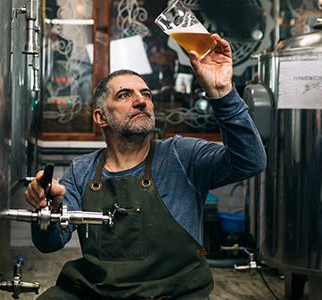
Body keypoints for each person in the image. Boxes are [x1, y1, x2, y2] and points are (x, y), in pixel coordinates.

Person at [24, 34, 266, 300]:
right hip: (99, 292)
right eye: (125, 95)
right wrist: (49, 208)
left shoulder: (183, 155)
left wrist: (223, 94)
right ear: (100, 117)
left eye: (146, 94)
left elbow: (250, 161)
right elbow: (49, 244)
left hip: (173, 294)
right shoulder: (83, 170)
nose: (141, 100)